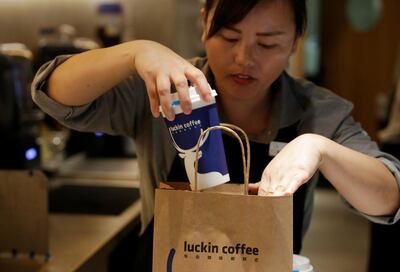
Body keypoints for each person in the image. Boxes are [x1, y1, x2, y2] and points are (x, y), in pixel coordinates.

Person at [32, 0, 400, 270]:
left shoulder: (319, 111)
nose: (243, 57)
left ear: (294, 42)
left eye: (268, 43)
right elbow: (52, 94)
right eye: (228, 37)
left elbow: (388, 199)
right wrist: (137, 52)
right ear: (204, 22)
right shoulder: (166, 88)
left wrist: (319, 148)